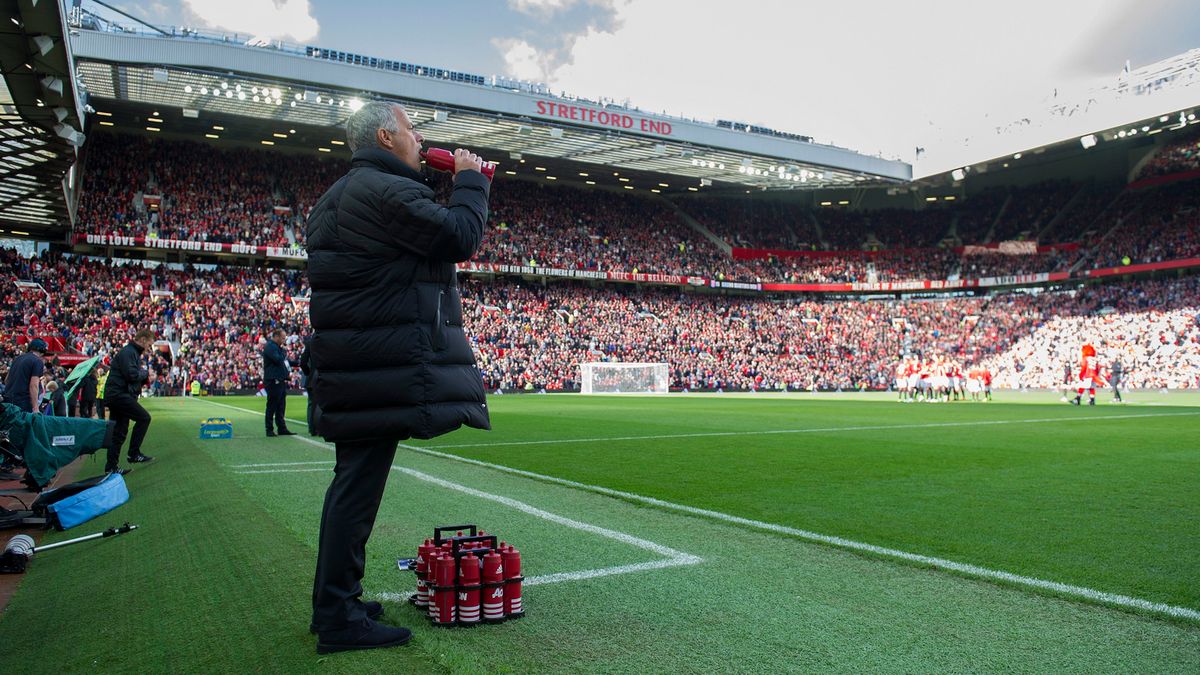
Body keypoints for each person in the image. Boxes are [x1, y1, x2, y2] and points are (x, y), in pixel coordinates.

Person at [306, 101, 491, 654]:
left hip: (356, 365)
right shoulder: (385, 191)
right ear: (387, 137)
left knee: (351, 489)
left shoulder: (341, 194)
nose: (420, 138)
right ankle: (338, 617)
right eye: (413, 130)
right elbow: (458, 236)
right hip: (374, 367)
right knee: (356, 494)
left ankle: (337, 602)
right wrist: (471, 181)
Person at [105, 329, 156, 471]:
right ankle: (133, 454)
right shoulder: (129, 352)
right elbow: (131, 375)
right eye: (149, 344)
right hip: (119, 395)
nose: (149, 348)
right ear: (143, 339)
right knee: (144, 418)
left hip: (117, 394)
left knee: (119, 432)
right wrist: (145, 373)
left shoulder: (131, 352)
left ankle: (111, 467)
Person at [262, 328, 295, 437]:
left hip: (279, 379)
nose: (284, 340)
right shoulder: (271, 347)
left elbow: (283, 362)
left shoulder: (276, 347)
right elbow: (278, 360)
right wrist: (284, 351)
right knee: (272, 405)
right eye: (282, 337)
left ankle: (281, 428)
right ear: (276, 337)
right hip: (273, 380)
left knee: (281, 405)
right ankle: (269, 429)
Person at [3, 338, 48, 413]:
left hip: (8, 400)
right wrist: (36, 408)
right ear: (43, 351)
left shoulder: (17, 358)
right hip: (22, 403)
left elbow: (6, 380)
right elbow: (33, 386)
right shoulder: (37, 361)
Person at [299, 336, 319, 436]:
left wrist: (308, 373)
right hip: (325, 377)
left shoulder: (310, 343)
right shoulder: (328, 341)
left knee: (312, 404)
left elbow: (303, 362)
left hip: (312, 378)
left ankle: (312, 429)